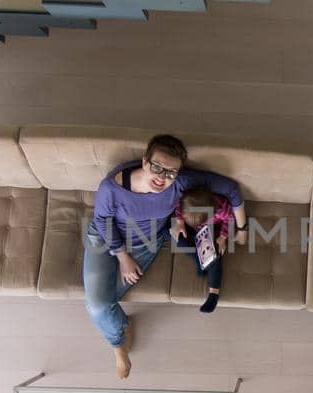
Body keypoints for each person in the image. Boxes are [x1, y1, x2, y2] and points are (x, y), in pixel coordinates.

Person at [82, 134, 248, 378]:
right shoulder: (112, 189)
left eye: (171, 172)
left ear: (178, 173)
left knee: (99, 304)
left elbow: (232, 189)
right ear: (145, 161)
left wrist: (241, 229)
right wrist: (122, 257)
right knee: (98, 305)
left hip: (147, 240)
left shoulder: (181, 183)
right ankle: (118, 345)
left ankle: (118, 338)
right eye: (157, 167)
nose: (162, 177)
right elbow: (102, 221)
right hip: (105, 239)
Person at [173, 185, 233, 314]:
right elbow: (178, 210)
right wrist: (180, 223)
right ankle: (199, 259)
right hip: (192, 230)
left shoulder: (221, 208)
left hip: (213, 231)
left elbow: (230, 219)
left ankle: (213, 294)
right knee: (178, 239)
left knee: (216, 254)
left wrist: (222, 238)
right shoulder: (183, 203)